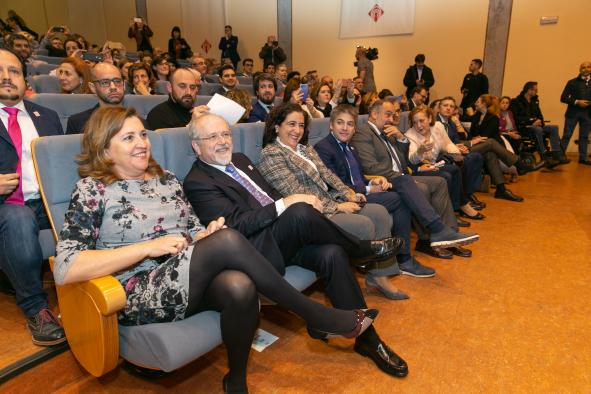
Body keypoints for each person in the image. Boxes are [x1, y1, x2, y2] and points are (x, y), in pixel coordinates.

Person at [55, 107, 381, 393]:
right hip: (138, 290)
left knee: (239, 286)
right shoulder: (92, 190)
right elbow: (66, 265)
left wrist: (205, 233)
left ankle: (236, 381)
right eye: (128, 138)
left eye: (142, 134)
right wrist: (147, 248)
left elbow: (193, 228)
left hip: (186, 273)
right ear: (105, 150)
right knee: (229, 242)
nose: (142, 143)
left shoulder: (166, 180)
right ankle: (317, 315)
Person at [315, 105, 443, 291]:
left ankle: (403, 257)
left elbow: (359, 175)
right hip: (345, 199)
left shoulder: (350, 146)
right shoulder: (324, 148)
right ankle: (404, 258)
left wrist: (374, 183)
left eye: (350, 124)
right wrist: (367, 188)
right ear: (331, 126)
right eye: (340, 123)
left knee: (400, 192)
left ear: (354, 128)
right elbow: (335, 185)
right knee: (400, 198)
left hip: (361, 192)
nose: (345, 128)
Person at [351, 99, 480, 260]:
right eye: (388, 115)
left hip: (403, 175)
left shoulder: (387, 132)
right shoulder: (363, 134)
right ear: (374, 114)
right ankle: (428, 238)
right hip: (386, 180)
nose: (392, 119)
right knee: (422, 187)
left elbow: (403, 163)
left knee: (440, 182)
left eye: (393, 115)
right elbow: (370, 168)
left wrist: (401, 138)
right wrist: (402, 176)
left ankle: (449, 235)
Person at [0, 48, 65, 346]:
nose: (5, 77)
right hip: (8, 206)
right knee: (18, 219)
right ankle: (36, 308)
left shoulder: (47, 117)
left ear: (25, 80)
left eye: (13, 71)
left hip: (48, 202)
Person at [406, 105, 484, 220]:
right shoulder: (410, 135)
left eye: (422, 121)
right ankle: (455, 210)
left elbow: (447, 144)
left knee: (456, 168)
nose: (418, 125)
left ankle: (459, 205)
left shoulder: (437, 127)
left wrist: (456, 153)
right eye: (415, 122)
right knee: (446, 175)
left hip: (434, 163)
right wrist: (420, 151)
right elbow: (411, 160)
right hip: (421, 167)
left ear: (430, 119)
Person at [510, 82, 566, 167]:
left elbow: (540, 116)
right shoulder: (516, 101)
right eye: (535, 90)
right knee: (538, 129)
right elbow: (516, 118)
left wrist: (540, 121)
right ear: (528, 90)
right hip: (524, 127)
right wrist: (531, 121)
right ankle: (544, 155)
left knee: (554, 127)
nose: (536, 92)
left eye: (536, 90)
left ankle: (556, 153)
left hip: (536, 126)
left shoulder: (534, 101)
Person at [66, 62, 126, 134]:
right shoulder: (77, 122)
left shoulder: (138, 121)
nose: (113, 87)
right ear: (93, 87)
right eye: (105, 82)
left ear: (124, 85)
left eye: (117, 81)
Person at [560, 61, 591, 165]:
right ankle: (560, 156)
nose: (586, 69)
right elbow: (563, 98)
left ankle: (583, 158)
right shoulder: (572, 82)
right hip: (573, 113)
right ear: (580, 69)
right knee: (567, 135)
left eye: (588, 67)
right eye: (583, 67)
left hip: (588, 114)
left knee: (584, 136)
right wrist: (577, 102)